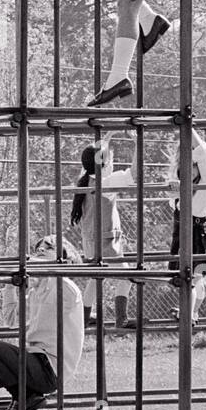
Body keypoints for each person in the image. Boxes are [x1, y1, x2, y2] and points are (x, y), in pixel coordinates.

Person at [0, 236, 84, 410]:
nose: (41, 250)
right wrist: (10, 283)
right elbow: (12, 319)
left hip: (50, 369)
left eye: (49, 248)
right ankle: (23, 395)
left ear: (64, 258)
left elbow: (55, 272)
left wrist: (27, 265)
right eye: (38, 249)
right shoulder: (36, 291)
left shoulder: (65, 288)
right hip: (35, 360)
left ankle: (25, 396)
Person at [69, 140, 133, 328]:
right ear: (104, 165)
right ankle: (121, 319)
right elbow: (133, 173)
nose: (113, 163)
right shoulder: (105, 184)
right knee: (128, 277)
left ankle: (85, 315)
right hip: (105, 243)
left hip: (91, 242)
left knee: (96, 277)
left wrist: (108, 136)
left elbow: (93, 155)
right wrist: (136, 142)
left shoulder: (86, 180)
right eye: (111, 160)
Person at [167, 128, 206, 322]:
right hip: (181, 235)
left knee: (192, 282)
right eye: (185, 166)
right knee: (195, 283)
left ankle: (187, 316)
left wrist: (187, 126)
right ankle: (192, 313)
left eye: (193, 166)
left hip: (197, 235)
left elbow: (204, 152)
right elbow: (174, 205)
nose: (189, 170)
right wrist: (174, 192)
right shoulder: (182, 188)